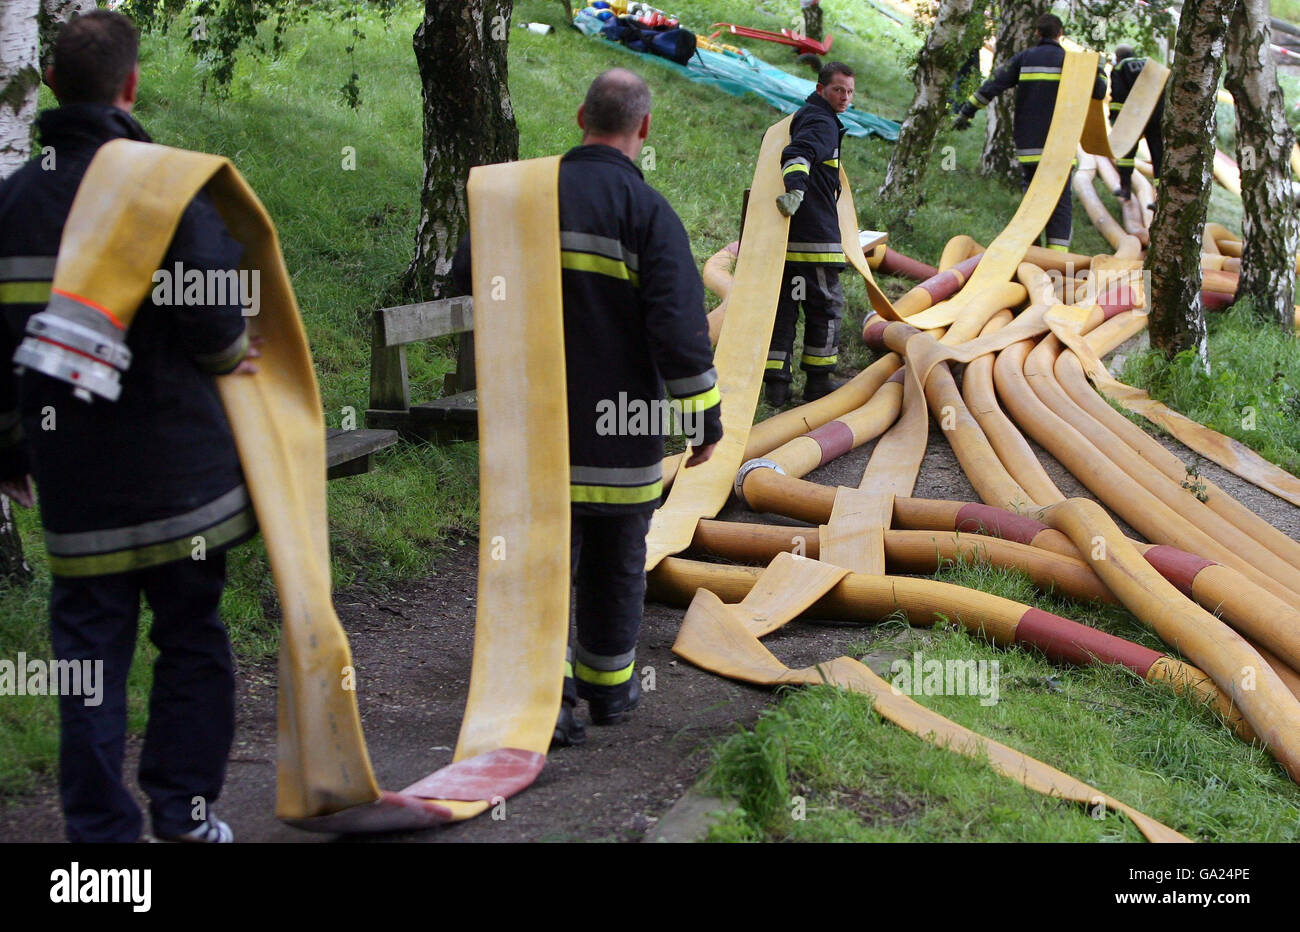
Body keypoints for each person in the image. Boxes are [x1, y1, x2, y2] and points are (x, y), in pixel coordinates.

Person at [0, 10, 259, 843]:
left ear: (46, 87)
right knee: (191, 638)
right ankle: (185, 814)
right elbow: (219, 318)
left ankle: (100, 836)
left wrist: (7, 446)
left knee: (86, 654)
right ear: (132, 84)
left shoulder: (14, 200)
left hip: (75, 481)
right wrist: (230, 356)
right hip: (182, 473)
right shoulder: (163, 184)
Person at [452, 68, 722, 747]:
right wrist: (702, 421)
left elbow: (462, 281)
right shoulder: (649, 214)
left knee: (539, 565)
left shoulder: (520, 195)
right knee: (615, 560)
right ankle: (608, 692)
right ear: (645, 129)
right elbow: (678, 328)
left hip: (532, 433)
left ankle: (544, 701)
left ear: (579, 115)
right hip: (622, 438)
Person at [953, 13, 1106, 252]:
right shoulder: (1071, 62)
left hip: (1029, 147)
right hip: (1060, 149)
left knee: (1031, 202)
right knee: (1059, 204)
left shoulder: (1024, 59)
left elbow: (993, 84)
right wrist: (1100, 69)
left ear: (1037, 33)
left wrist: (966, 111)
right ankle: (1055, 258)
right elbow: (1098, 92)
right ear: (1060, 34)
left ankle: (1030, 253)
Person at [769, 61, 856, 408]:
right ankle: (818, 383)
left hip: (786, 240)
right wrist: (796, 190)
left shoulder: (802, 115)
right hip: (816, 239)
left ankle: (776, 388)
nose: (845, 97)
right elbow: (799, 154)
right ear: (821, 89)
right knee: (825, 309)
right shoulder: (821, 121)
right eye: (838, 90)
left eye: (850, 92)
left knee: (783, 311)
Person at [1109, 44, 1164, 208]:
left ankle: (1125, 189)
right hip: (1156, 115)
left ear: (1118, 57)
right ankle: (1160, 199)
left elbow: (1118, 96)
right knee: (1158, 156)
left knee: (1126, 152)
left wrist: (1115, 119)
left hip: (1134, 116)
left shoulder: (1120, 67)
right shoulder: (1150, 63)